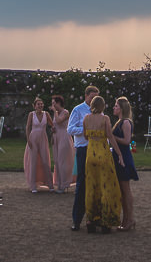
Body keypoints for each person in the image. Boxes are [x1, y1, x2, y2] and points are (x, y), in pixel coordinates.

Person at [82, 95, 124, 232]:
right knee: (106, 187)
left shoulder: (86, 119)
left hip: (90, 155)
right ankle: (106, 221)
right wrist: (119, 153)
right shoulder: (105, 119)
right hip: (103, 154)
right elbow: (110, 136)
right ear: (102, 106)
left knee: (91, 188)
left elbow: (85, 136)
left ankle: (90, 220)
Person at [68, 85, 99, 230]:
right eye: (92, 98)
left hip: (96, 149)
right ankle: (77, 219)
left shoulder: (99, 111)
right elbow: (70, 129)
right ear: (86, 96)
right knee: (82, 184)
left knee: (96, 184)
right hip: (83, 148)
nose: (93, 101)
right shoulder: (78, 110)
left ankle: (94, 218)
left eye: (96, 98)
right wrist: (85, 130)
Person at [112, 96, 139, 231]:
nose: (114, 108)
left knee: (125, 190)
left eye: (116, 106)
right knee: (122, 191)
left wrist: (111, 137)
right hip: (118, 157)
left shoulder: (126, 123)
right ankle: (125, 219)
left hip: (124, 158)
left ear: (121, 108)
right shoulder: (120, 122)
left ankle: (130, 218)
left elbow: (127, 141)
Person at [24, 96, 52, 193]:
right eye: (38, 104)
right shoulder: (31, 114)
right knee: (33, 161)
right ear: (34, 106)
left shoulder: (46, 114)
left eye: (41, 104)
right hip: (33, 138)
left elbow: (52, 125)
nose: (40, 106)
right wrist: (28, 140)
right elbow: (27, 127)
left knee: (45, 161)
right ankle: (33, 186)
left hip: (43, 138)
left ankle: (49, 184)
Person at [50, 95, 74, 194]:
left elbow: (59, 121)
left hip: (64, 136)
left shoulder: (65, 112)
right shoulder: (56, 113)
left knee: (62, 161)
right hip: (56, 137)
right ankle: (59, 184)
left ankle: (64, 184)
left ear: (58, 103)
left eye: (54, 103)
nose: (52, 105)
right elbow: (54, 124)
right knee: (57, 161)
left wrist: (54, 111)